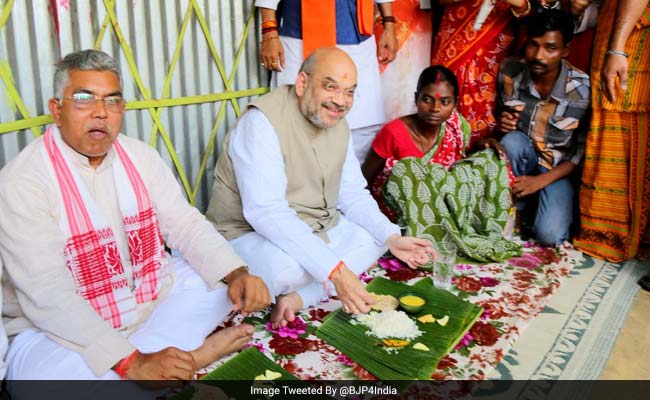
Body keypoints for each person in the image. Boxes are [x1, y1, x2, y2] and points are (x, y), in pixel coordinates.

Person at [0, 50, 271, 390]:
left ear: (122, 110)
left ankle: (159, 362)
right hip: (53, 328)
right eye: (84, 100)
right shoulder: (22, 181)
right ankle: (194, 357)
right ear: (57, 110)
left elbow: (184, 224)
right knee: (43, 384)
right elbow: (47, 292)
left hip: (145, 295)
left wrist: (237, 273)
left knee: (224, 283)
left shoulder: (140, 156)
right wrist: (132, 361)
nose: (101, 113)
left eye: (112, 101)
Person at [206, 47, 434, 328]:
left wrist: (391, 238)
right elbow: (266, 213)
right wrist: (336, 272)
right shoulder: (261, 122)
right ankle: (316, 281)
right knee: (286, 269)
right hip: (249, 234)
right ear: (302, 83)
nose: (340, 101)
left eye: (349, 91)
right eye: (330, 87)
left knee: (377, 238)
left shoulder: (337, 122)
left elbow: (351, 193)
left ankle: (300, 297)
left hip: (313, 227)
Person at [363, 65, 522, 263]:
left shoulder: (456, 126)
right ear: (416, 98)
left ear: (455, 103)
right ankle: (423, 242)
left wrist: (481, 145)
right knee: (409, 169)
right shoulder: (393, 132)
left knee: (489, 157)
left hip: (445, 207)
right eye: (427, 99)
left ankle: (472, 231)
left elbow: (462, 164)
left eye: (444, 102)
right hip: (400, 214)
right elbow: (364, 181)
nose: (435, 108)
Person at [255, 0, 398, 162]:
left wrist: (389, 24)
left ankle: (350, 183)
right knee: (299, 121)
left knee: (361, 124)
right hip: (301, 35)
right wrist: (269, 32)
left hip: (359, 39)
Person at [496, 9, 591, 246]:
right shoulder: (510, 71)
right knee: (512, 142)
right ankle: (516, 208)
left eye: (550, 48)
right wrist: (502, 120)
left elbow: (580, 153)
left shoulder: (582, 89)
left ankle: (538, 206)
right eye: (533, 45)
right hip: (523, 159)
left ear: (565, 49)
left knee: (549, 236)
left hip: (557, 170)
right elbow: (502, 114)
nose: (539, 56)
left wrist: (540, 182)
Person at [573, 0, 650, 284]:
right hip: (618, 31)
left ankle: (618, 234)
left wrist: (617, 48)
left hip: (630, 39)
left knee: (620, 110)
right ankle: (624, 234)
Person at [431, 0, 532, 143]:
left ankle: (478, 151)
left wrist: (520, 5)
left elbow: (525, 10)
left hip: (493, 41)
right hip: (455, 35)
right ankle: (443, 150)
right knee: (443, 90)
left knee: (484, 100)